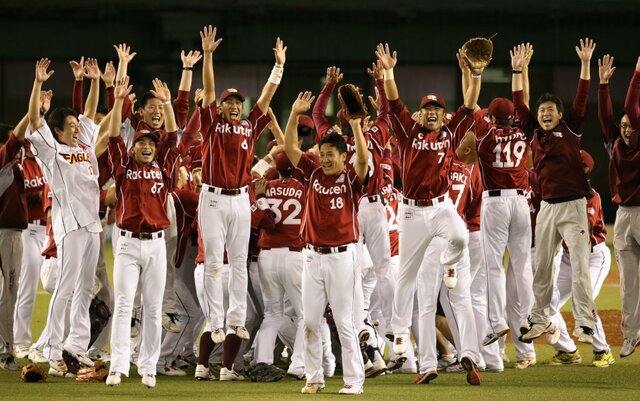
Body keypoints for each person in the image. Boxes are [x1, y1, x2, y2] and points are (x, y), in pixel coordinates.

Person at [376, 42, 482, 385]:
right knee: (406, 279)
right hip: (411, 213)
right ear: (420, 114)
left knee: (459, 236)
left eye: (437, 108)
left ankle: (450, 265)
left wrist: (474, 73)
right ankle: (404, 340)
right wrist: (389, 72)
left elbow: (470, 102)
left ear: (443, 114)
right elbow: (393, 101)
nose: (432, 112)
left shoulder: (451, 133)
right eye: (427, 108)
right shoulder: (408, 131)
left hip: (440, 207)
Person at [105, 76, 195, 388]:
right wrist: (118, 101)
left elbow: (171, 136)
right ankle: (117, 366)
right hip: (128, 245)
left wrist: (169, 103)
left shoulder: (165, 167)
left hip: (156, 244)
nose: (147, 146)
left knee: (154, 308)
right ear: (133, 148)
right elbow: (113, 136)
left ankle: (148, 367)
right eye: (141, 143)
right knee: (124, 305)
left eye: (150, 144)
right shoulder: (122, 166)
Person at [197, 25, 285, 343]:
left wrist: (278, 67)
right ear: (220, 107)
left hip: (240, 199)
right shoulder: (211, 123)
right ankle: (215, 322)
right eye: (229, 102)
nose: (234, 106)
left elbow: (266, 97)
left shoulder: (249, 126)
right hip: (213, 198)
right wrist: (208, 56)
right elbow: (208, 91)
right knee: (213, 263)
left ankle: (236, 320)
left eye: (238, 102)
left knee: (238, 263)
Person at [284, 91, 368, 395]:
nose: (326, 158)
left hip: (342, 256)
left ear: (343, 156)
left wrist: (356, 127)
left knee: (345, 322)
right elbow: (290, 148)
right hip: (312, 257)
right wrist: (294, 114)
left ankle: (354, 381)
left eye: (331, 153)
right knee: (309, 322)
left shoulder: (351, 178)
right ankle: (314, 378)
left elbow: (363, 160)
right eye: (323, 153)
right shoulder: (312, 172)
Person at [26, 58, 103, 376]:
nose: (76, 127)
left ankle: (76, 345)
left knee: (85, 288)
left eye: (75, 124)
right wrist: (38, 84)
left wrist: (94, 81)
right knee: (66, 287)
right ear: (57, 130)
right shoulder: (51, 151)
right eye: (70, 125)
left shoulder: (83, 143)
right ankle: (52, 349)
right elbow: (34, 121)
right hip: (70, 225)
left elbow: (89, 113)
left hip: (93, 224)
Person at [520, 38, 598, 345]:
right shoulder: (534, 134)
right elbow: (519, 103)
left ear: (561, 114)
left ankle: (585, 323)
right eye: (541, 110)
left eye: (551, 110)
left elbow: (582, 96)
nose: (545, 113)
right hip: (548, 208)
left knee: (579, 265)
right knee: (541, 267)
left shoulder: (571, 128)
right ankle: (540, 319)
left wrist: (585, 64)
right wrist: (520, 70)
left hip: (573, 206)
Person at [545, 151, 615, 368]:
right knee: (547, 301)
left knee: (583, 299)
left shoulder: (590, 196)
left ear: (583, 169)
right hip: (568, 258)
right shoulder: (558, 193)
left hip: (593, 257)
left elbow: (583, 229)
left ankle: (603, 350)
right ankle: (567, 351)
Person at [599, 53, 640, 358]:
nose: (626, 129)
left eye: (630, 125)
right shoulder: (614, 143)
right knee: (628, 283)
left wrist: (637, 74)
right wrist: (602, 85)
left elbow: (631, 106)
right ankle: (631, 335)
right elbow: (605, 117)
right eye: (623, 125)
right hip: (623, 216)